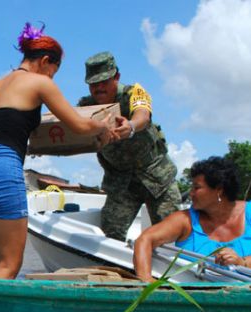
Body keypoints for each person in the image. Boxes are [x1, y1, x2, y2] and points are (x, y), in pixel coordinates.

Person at [0, 23, 114, 280]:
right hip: (2, 171)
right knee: (9, 266)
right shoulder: (39, 83)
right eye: (53, 72)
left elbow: (7, 128)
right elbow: (79, 126)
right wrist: (104, 125)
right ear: (46, 61)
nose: (52, 79)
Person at [77, 51, 182, 242]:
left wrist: (131, 127)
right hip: (121, 183)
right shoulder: (85, 107)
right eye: (94, 84)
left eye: (104, 82)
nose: (99, 88)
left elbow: (142, 114)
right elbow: (71, 133)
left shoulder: (135, 92)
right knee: (110, 235)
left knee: (171, 236)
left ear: (116, 77)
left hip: (157, 178)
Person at [132, 157, 251, 283]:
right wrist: (146, 280)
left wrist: (242, 262)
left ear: (219, 190)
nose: (190, 193)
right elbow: (145, 240)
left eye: (196, 187)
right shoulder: (184, 220)